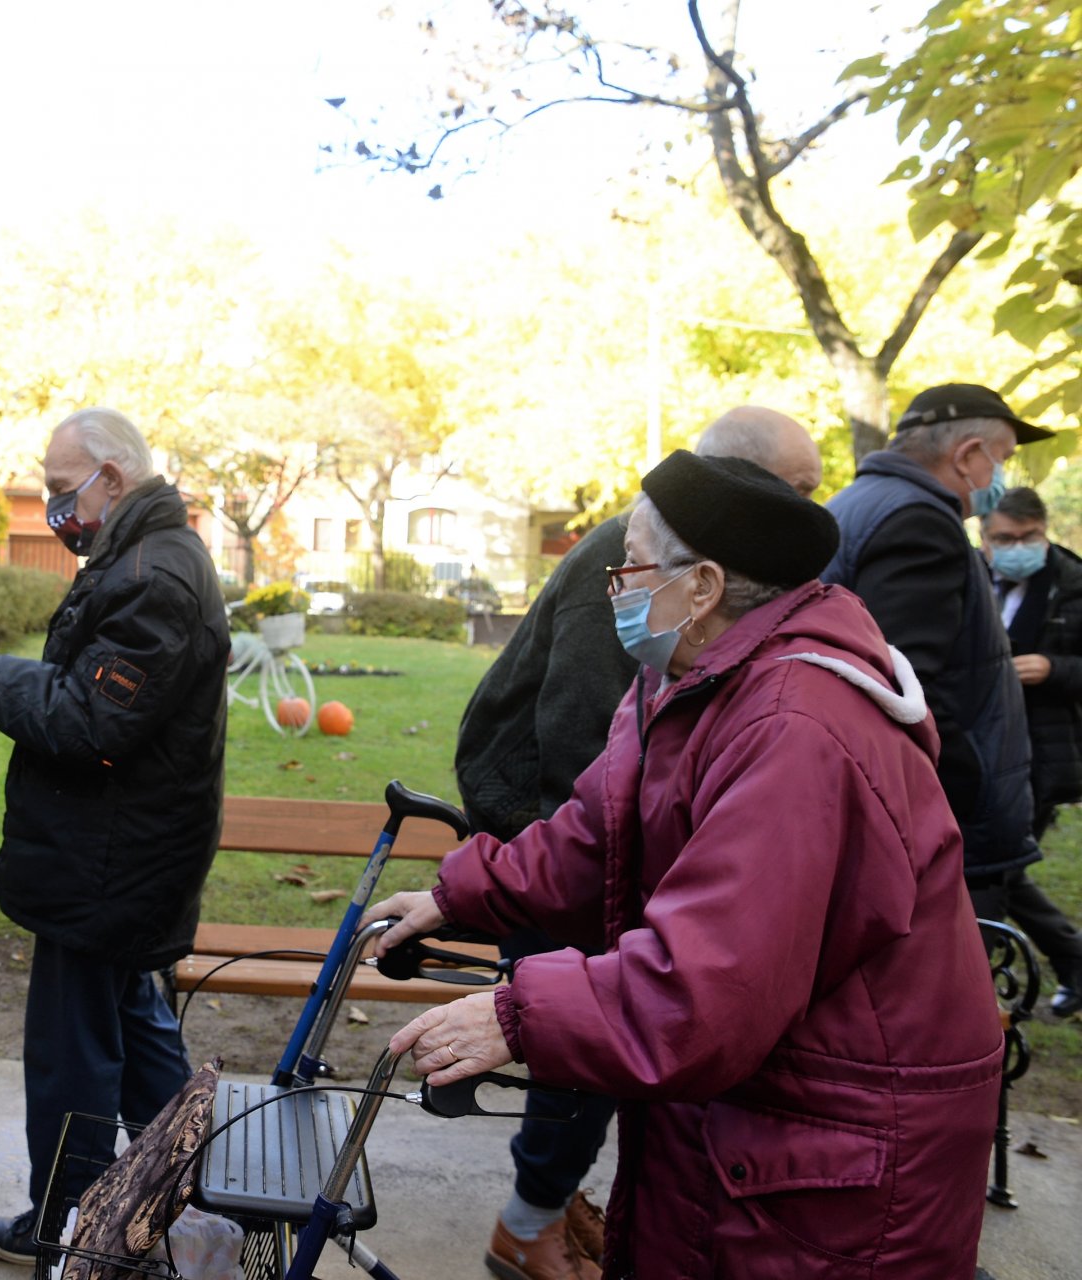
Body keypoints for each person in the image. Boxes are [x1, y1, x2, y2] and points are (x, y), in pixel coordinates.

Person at [367, 450, 1003, 1276]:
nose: (614, 583)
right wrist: (462, 893)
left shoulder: (795, 728)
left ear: (701, 588)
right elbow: (601, 832)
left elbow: (708, 987)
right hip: (772, 1121)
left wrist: (517, 1013)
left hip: (835, 1146)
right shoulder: (694, 679)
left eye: (630, 564)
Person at [450, 407, 821, 1279]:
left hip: (584, 850)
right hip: (543, 824)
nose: (807, 514)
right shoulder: (640, 574)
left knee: (598, 1026)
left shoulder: (771, 685)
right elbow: (592, 775)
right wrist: (497, 893)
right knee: (585, 1037)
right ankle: (531, 1219)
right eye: (795, 491)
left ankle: (543, 1210)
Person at [0, 407, 231, 1265]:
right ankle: (187, 1199)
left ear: (115, 479)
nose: (58, 510)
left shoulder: (152, 575)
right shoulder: (144, 558)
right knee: (133, 1031)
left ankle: (70, 1229)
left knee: (73, 1059)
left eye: (63, 491)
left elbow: (90, 718)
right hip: (123, 857)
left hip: (109, 867)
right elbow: (84, 688)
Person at [822, 382, 1049, 885]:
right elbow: (904, 686)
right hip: (926, 819)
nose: (1001, 477)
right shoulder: (918, 520)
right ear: (968, 455)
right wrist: (971, 784)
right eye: (1002, 458)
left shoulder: (861, 501)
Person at [979, 486, 1082, 1017]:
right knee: (996, 865)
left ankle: (981, 984)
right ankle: (1071, 958)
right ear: (984, 537)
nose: (1018, 546)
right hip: (974, 746)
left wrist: (1054, 669)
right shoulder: (967, 575)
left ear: (1044, 532)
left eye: (1029, 537)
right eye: (1005, 538)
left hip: (1042, 753)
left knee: (998, 865)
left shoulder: (1071, 583)